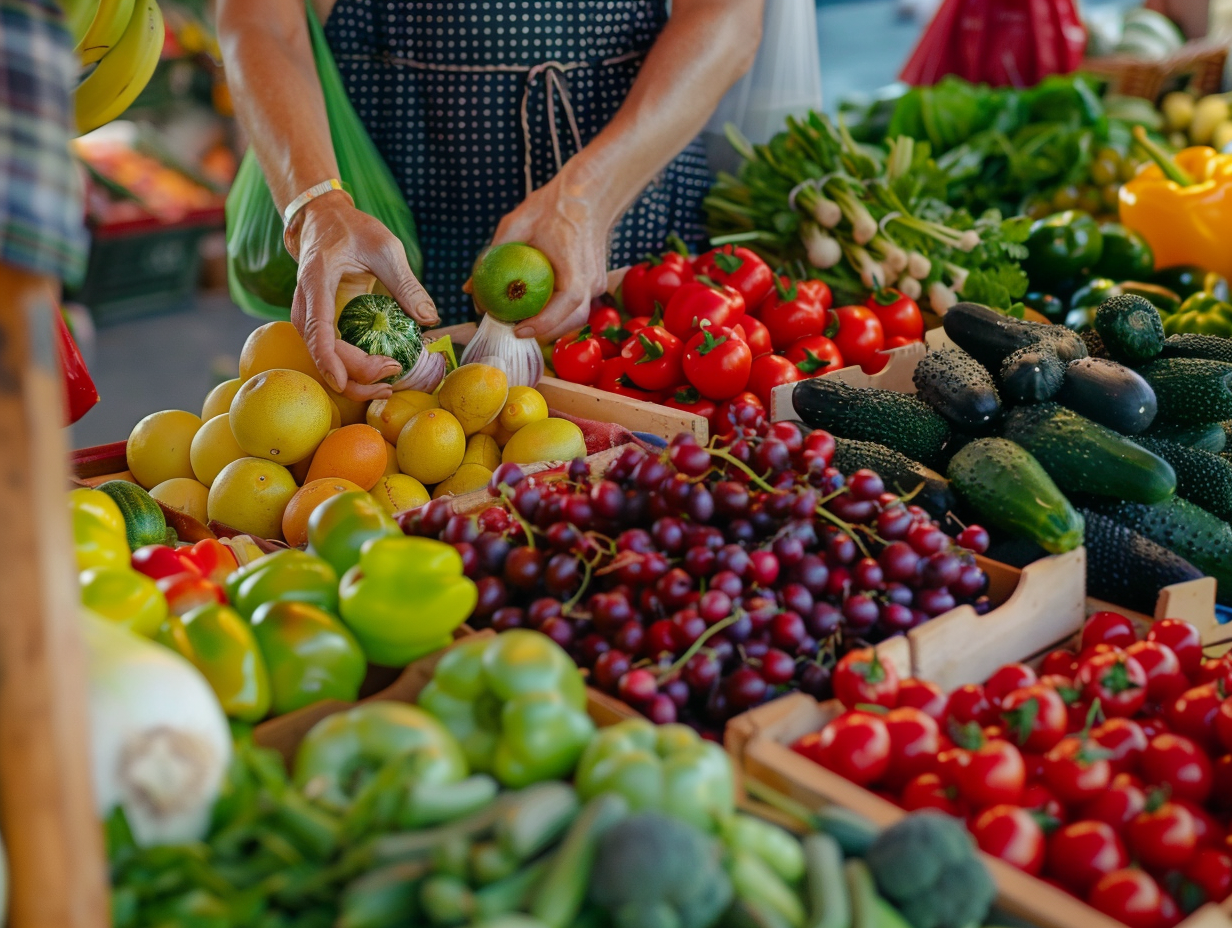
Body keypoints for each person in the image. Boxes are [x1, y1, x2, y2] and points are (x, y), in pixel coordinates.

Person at [218, 0, 764, 401]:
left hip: (627, 177)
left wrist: (589, 198)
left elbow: (730, 17)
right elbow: (262, 19)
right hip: (391, 191)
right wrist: (318, 204)